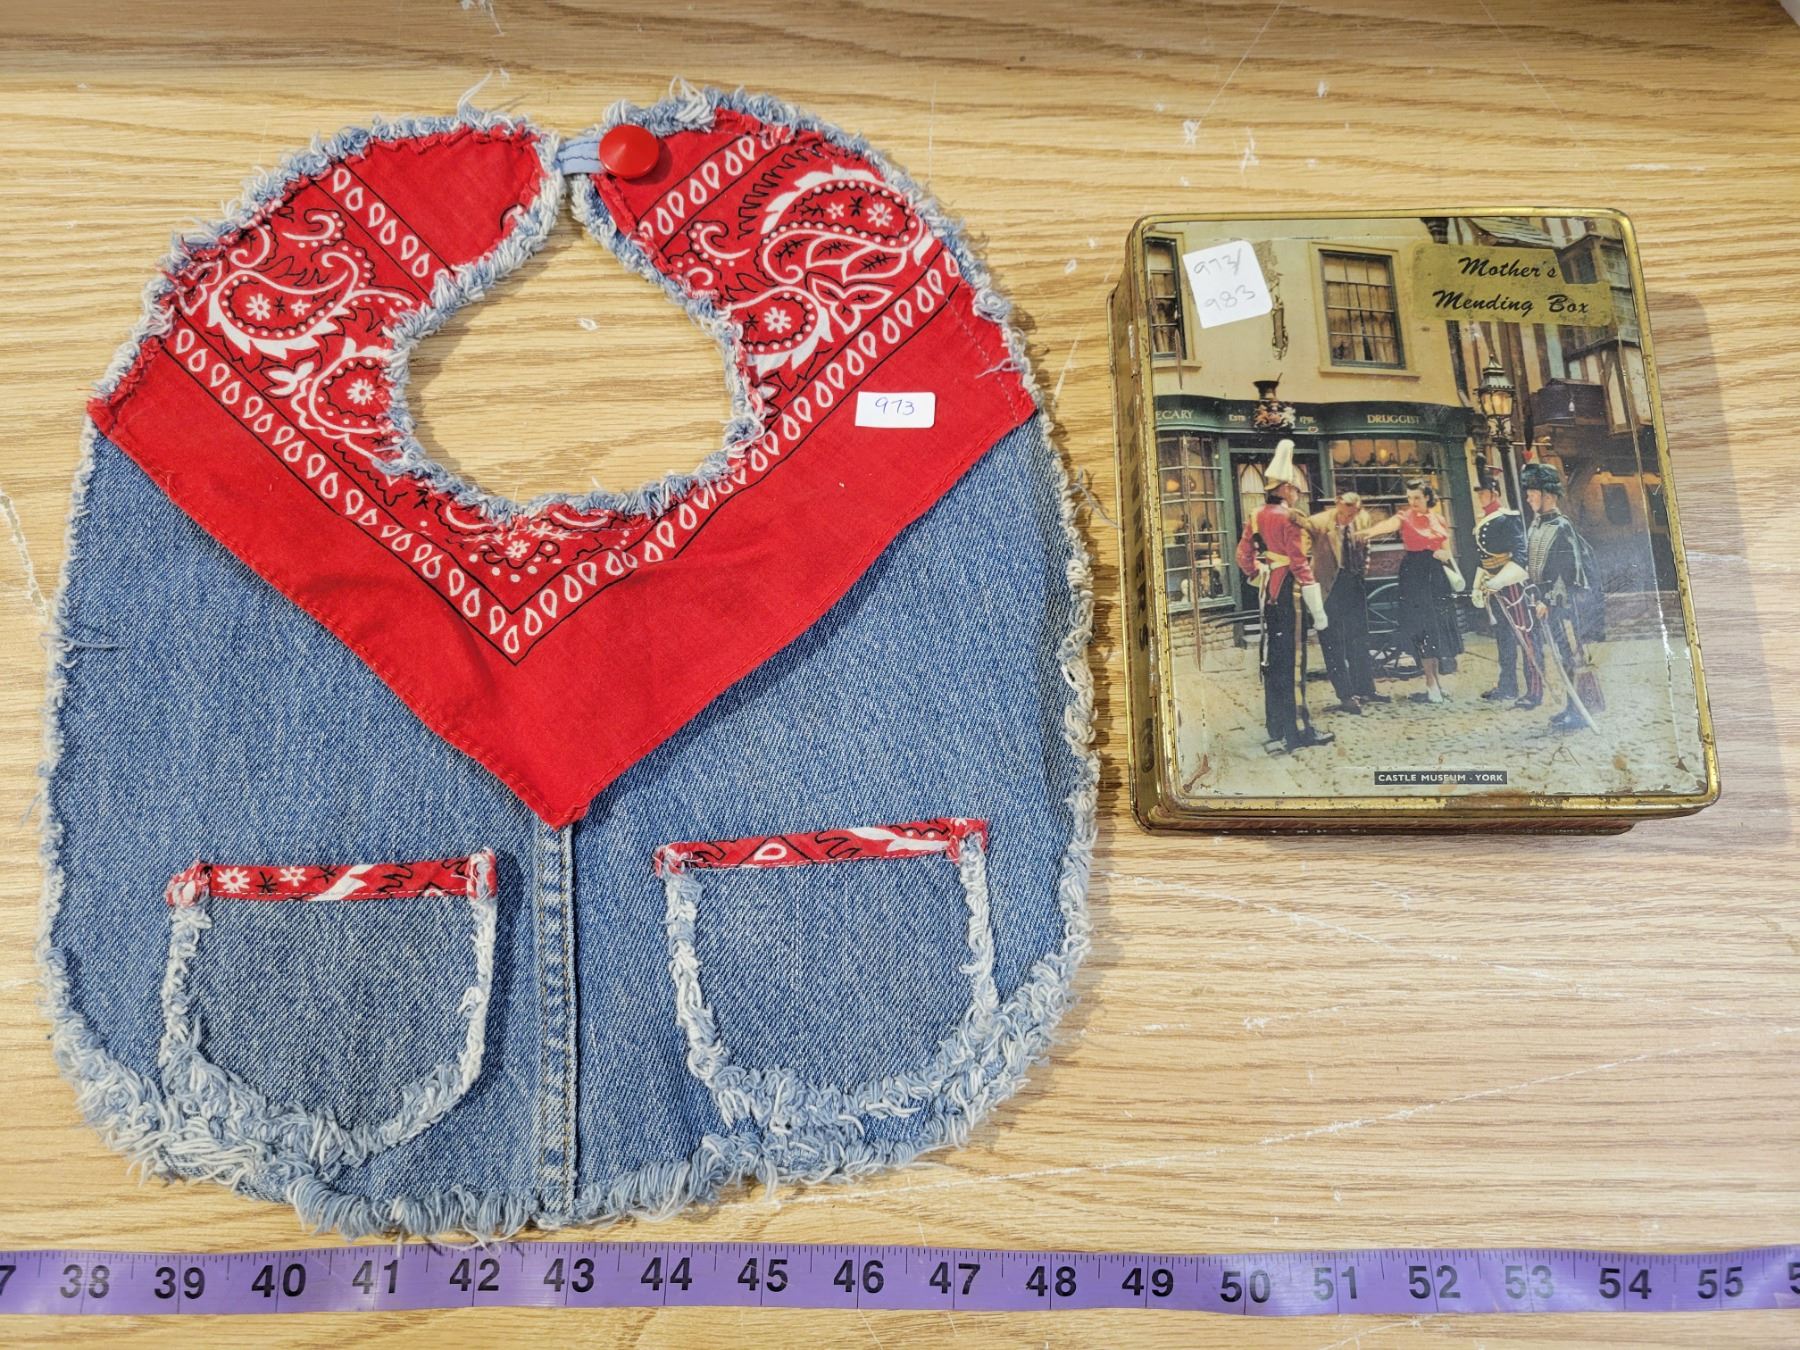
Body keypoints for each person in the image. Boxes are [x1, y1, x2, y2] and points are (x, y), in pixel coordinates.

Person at [1235, 439, 1334, 753]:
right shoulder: (1291, 517)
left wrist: (1260, 575)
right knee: (1294, 663)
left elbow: (1243, 556)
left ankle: (1276, 726)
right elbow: (1299, 563)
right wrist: (1318, 610)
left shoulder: (1255, 514)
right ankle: (1298, 730)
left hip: (1270, 594)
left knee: (1274, 660)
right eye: (1295, 488)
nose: (1297, 493)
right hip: (1291, 594)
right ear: (1285, 488)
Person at [1357, 480, 1463, 704]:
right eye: (1409, 497)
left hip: (1436, 576)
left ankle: (1437, 682)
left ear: (1427, 497)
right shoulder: (1404, 517)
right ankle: (1430, 683)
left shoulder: (1439, 519)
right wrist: (1366, 533)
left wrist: (1445, 556)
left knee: (1436, 627)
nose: (1412, 502)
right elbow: (1386, 526)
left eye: (1417, 497)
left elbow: (1446, 550)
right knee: (1422, 628)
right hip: (1415, 575)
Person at [1522, 459, 1599, 731]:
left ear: (1548, 495)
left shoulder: (1562, 526)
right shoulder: (1537, 525)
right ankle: (1570, 707)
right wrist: (1534, 594)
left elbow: (1570, 572)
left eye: (1533, 492)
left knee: (1571, 657)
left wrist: (1548, 600)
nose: (1528, 497)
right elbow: (1535, 567)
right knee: (1559, 657)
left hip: (1565, 606)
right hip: (1545, 605)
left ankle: (1579, 712)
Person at [1304, 490, 1389, 714]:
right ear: (1337, 506)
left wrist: (1364, 569)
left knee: (1359, 639)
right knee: (1333, 643)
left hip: (1354, 583)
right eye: (1343, 514)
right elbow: (1301, 551)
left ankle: (1366, 689)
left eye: (1351, 515)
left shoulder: (1363, 519)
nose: (1347, 518)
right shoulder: (1317, 523)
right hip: (1329, 587)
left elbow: (1366, 546)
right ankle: (1346, 695)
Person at [1470, 469, 1543, 709]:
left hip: (1513, 588)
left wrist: (1499, 581)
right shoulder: (1483, 520)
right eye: (1479, 493)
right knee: (1504, 638)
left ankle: (1534, 691)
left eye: (1484, 493)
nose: (1480, 497)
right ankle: (1507, 686)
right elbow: (1484, 560)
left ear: (1495, 493)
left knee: (1525, 637)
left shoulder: (1508, 518)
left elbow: (1521, 556)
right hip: (1496, 588)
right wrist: (1478, 586)